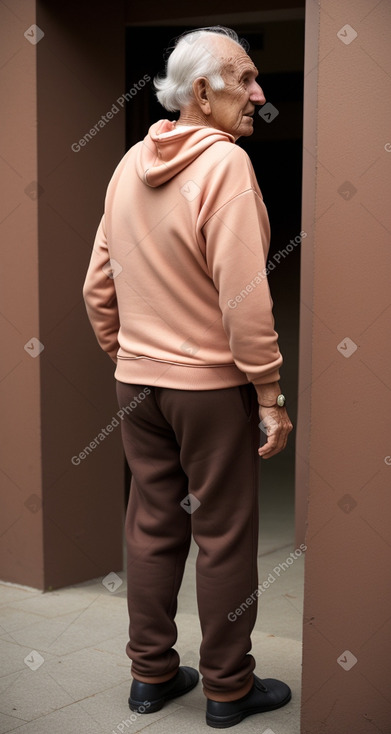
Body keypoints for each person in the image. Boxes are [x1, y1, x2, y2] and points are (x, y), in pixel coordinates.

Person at [83, 25, 293, 729]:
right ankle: (228, 689)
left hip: (136, 386)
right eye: (246, 79)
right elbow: (244, 297)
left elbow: (96, 287)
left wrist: (129, 356)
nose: (259, 96)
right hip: (208, 390)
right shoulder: (226, 165)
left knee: (150, 525)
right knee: (225, 535)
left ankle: (149, 676)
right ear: (201, 92)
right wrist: (268, 394)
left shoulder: (126, 164)